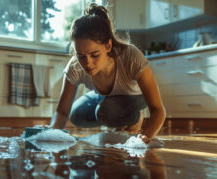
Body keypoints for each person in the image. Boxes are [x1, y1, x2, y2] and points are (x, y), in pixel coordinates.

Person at [50, 3, 166, 143]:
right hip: (104, 96)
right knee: (76, 115)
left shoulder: (132, 57)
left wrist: (144, 138)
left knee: (105, 112)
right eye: (81, 56)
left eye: (95, 55)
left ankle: (134, 118)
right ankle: (120, 119)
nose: (87, 63)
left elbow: (158, 110)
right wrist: (51, 134)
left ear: (108, 46)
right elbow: (62, 112)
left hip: (135, 95)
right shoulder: (75, 66)